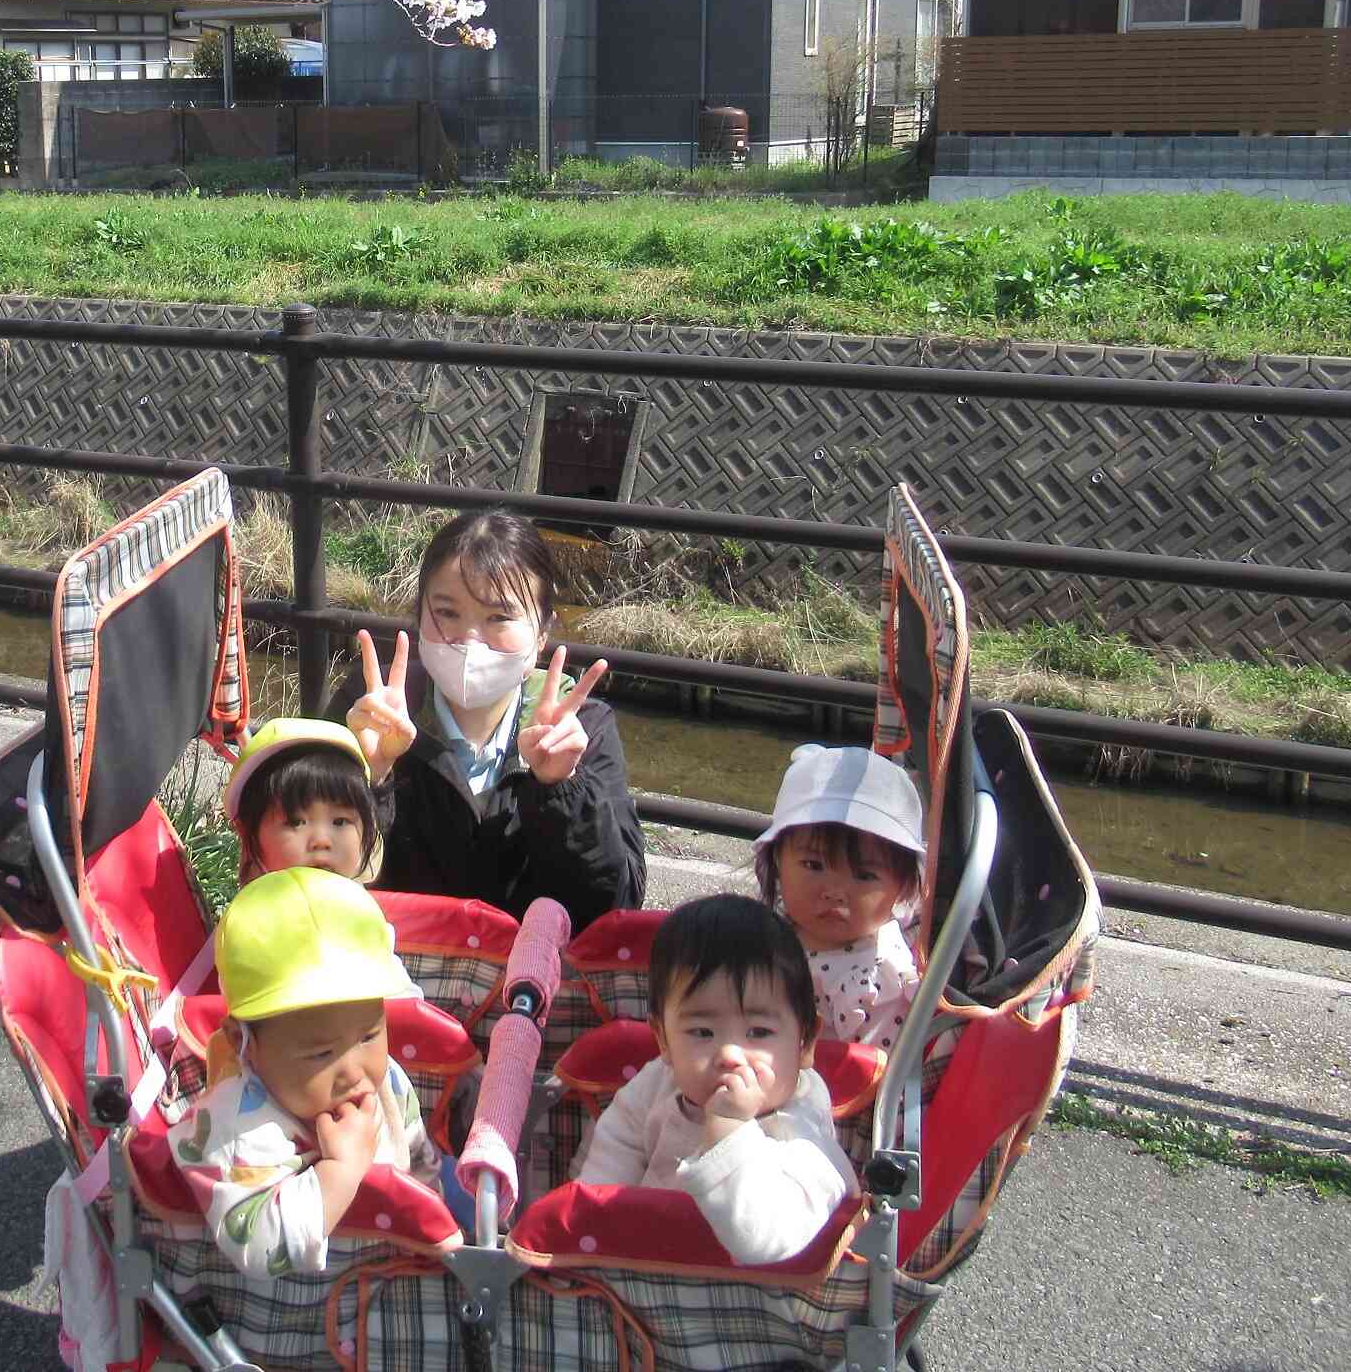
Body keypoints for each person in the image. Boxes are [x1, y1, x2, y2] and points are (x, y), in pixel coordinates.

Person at [334, 510, 646, 925]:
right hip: (396, 966)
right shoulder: (371, 709)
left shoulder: (582, 728)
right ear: (419, 614)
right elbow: (312, 881)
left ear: (542, 634)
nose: (470, 639)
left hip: (530, 979)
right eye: (446, 613)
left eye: (499, 617)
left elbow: (615, 901)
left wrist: (562, 790)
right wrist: (368, 780)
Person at [572, 893, 857, 1265]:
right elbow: (613, 1151)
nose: (730, 1055)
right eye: (703, 1032)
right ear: (663, 1040)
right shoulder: (657, 1083)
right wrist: (592, 1227)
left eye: (758, 1032)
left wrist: (731, 1131)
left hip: (743, 1304)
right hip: (636, 1275)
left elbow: (761, 1238)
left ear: (805, 1043)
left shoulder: (804, 1135)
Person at [178, 868, 433, 1277]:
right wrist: (340, 1172)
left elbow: (417, 1155)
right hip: (327, 1302)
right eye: (321, 1054)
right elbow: (259, 1247)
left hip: (405, 1263)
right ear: (246, 1042)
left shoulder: (387, 1082)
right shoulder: (235, 1129)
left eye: (369, 1035)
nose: (353, 1070)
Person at [751, 743, 927, 1048]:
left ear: (904, 887)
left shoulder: (875, 980)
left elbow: (869, 1078)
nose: (834, 892)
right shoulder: (770, 928)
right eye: (813, 865)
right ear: (777, 861)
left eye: (864, 875)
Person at [223, 716, 379, 884]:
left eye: (340, 821)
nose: (321, 841)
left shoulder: (362, 908)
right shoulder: (250, 910)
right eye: (295, 822)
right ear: (251, 838)